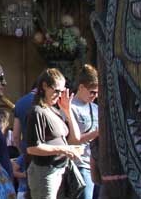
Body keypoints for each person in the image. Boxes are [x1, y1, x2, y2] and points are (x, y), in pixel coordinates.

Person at [24, 68, 84, 199]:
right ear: (44, 86)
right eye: (56, 91)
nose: (59, 95)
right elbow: (32, 148)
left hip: (61, 169)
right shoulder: (37, 111)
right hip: (44, 171)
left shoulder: (54, 111)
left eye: (62, 92)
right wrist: (64, 149)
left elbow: (76, 139)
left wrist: (68, 111)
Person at [70, 64, 100, 199]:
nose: (95, 96)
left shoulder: (96, 107)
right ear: (81, 87)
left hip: (96, 165)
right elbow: (71, 139)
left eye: (98, 92)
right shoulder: (70, 107)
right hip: (80, 164)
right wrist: (97, 133)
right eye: (92, 92)